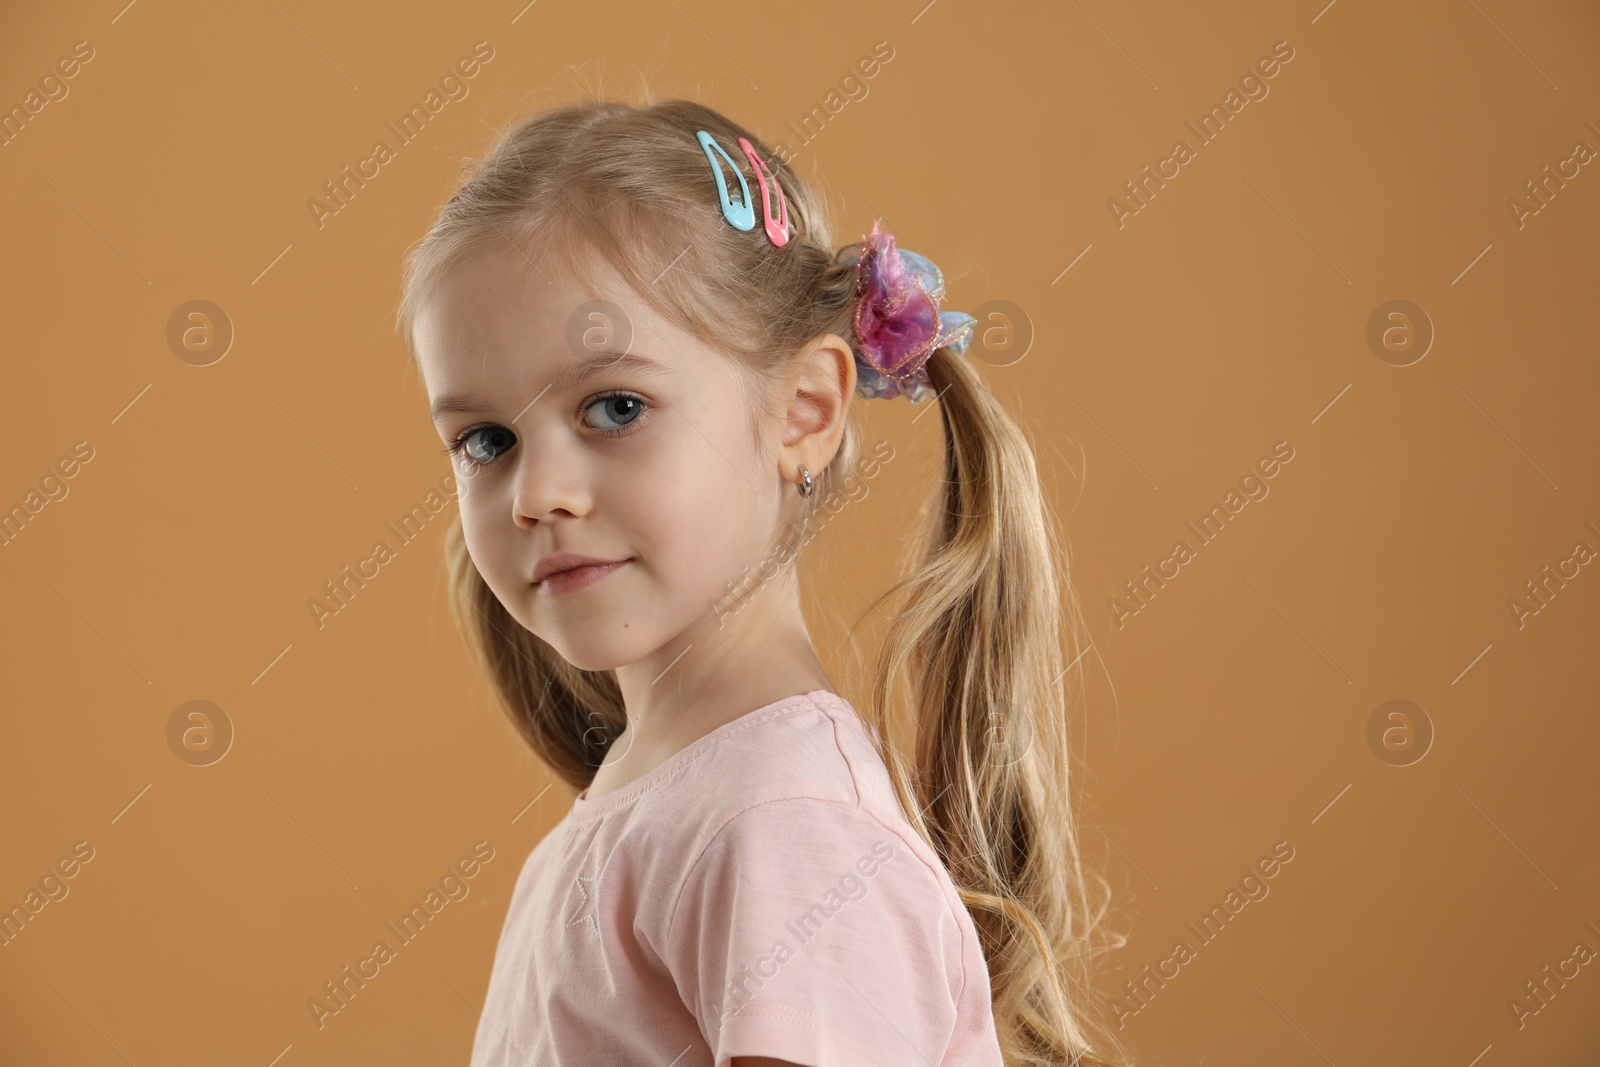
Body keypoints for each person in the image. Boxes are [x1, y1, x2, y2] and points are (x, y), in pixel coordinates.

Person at [396, 96, 1130, 1067]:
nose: (538, 492)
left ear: (802, 412)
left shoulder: (785, 824)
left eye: (615, 406)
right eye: (487, 440)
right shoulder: (683, 798)